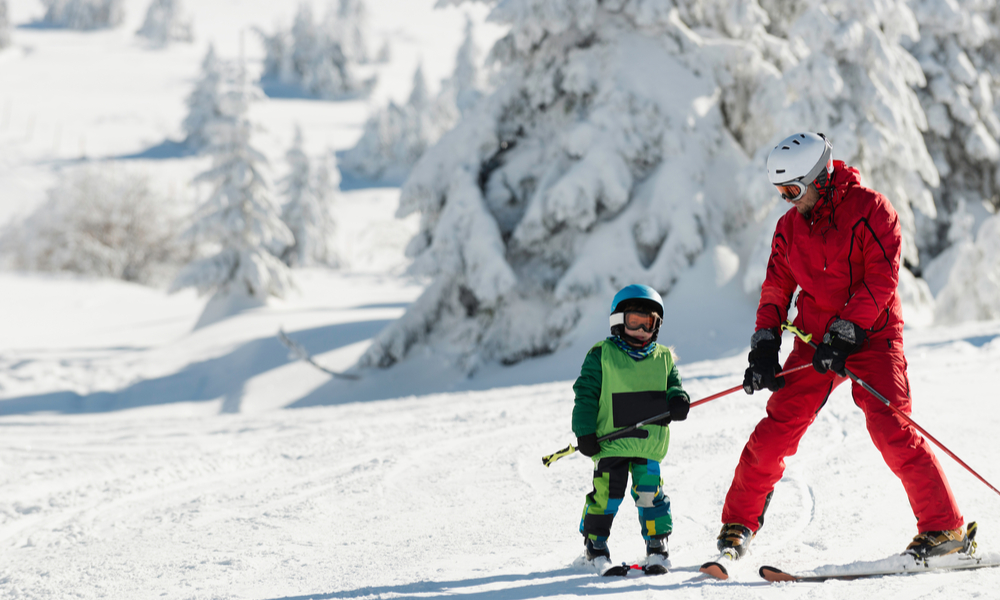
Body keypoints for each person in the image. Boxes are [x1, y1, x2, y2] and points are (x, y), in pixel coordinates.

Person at [717, 132, 969, 561]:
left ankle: (944, 530)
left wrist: (847, 332)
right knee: (776, 429)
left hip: (873, 337)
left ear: (821, 176)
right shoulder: (790, 228)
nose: (788, 201)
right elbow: (777, 288)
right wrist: (764, 345)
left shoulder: (873, 211)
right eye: (780, 192)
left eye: (793, 190)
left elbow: (880, 280)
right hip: (815, 344)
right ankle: (738, 523)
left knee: (891, 428)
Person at [572, 284, 691, 574]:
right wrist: (584, 430)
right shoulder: (602, 355)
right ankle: (595, 545)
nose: (640, 329)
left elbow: (674, 387)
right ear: (618, 322)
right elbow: (586, 394)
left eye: (647, 323)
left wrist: (678, 400)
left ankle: (657, 547)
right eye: (633, 321)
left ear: (657, 326)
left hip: (647, 444)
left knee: (651, 495)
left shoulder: (663, 357)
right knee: (607, 495)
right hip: (610, 444)